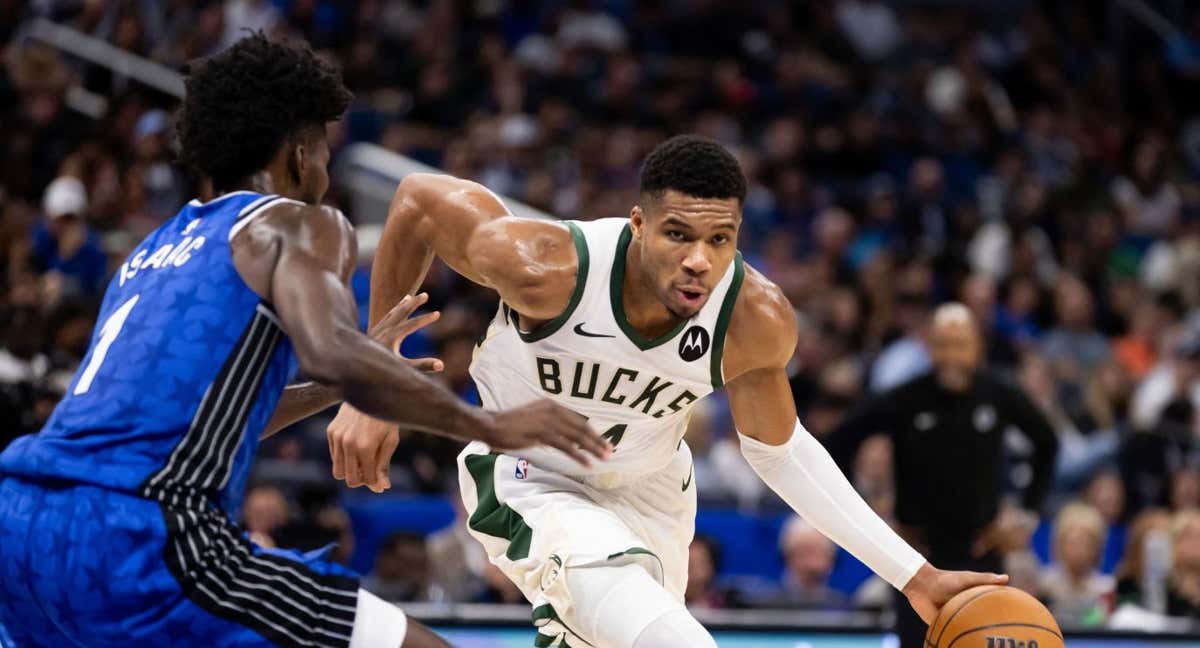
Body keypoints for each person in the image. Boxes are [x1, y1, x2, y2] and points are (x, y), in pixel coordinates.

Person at [0, 34, 606, 648]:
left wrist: (331, 381)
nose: (323, 172)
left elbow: (199, 422)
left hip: (22, 524)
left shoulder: (152, 251)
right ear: (298, 154)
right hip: (141, 530)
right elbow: (332, 351)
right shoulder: (296, 222)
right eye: (323, 152)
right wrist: (490, 427)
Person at [329, 135, 1007, 647]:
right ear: (637, 225)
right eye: (678, 234)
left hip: (655, 489)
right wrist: (370, 380)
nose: (698, 261)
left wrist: (914, 576)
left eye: (720, 240)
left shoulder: (753, 317)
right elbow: (417, 201)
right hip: (534, 479)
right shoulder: (547, 269)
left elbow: (779, 451)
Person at [825, 302, 1059, 647]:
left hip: (981, 552)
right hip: (916, 557)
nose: (951, 354)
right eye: (942, 344)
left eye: (959, 343)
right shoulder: (906, 397)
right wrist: (867, 513)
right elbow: (839, 441)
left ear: (976, 347)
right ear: (929, 346)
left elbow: (1047, 443)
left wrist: (1026, 515)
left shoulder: (998, 394)